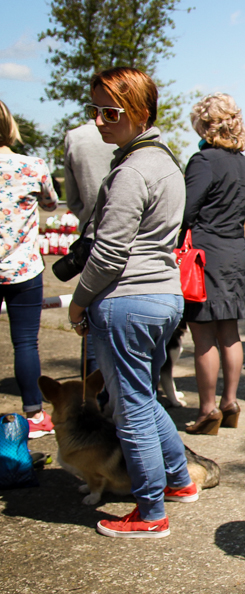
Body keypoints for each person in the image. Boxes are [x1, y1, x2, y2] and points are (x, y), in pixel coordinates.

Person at [67, 67, 191, 538]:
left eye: (110, 112)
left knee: (131, 407)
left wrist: (79, 303)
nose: (99, 121)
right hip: (163, 295)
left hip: (129, 298)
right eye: (95, 110)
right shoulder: (164, 161)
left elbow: (110, 251)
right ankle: (178, 480)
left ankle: (150, 511)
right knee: (142, 396)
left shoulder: (134, 168)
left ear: (140, 112)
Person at [180, 93, 245, 434]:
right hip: (235, 251)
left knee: (204, 336)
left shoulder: (203, 160)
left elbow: (185, 211)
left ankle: (207, 408)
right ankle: (230, 401)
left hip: (205, 252)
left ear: (205, 125)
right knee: (230, 331)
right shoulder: (244, 163)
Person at [0, 100, 59, 438]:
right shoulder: (32, 166)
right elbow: (51, 202)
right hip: (23, 267)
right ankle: (34, 414)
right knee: (25, 342)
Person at [63, 118, 116, 374]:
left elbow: (73, 200)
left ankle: (94, 395)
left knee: (93, 322)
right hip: (134, 245)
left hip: (93, 238)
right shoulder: (149, 143)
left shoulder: (77, 138)